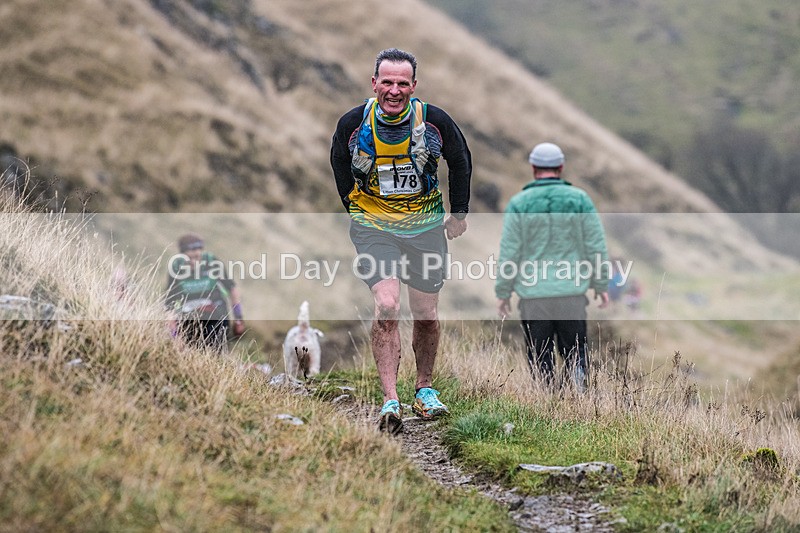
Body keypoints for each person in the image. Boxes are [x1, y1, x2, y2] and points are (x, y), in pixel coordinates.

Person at [330, 48, 472, 433]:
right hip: (374, 228)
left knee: (426, 315)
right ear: (374, 83)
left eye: (402, 83)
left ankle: (424, 390)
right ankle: (390, 399)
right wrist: (353, 208)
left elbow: (460, 160)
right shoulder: (352, 124)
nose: (394, 91)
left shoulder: (435, 121)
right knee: (388, 305)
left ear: (414, 86)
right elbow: (339, 164)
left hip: (425, 228)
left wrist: (458, 212)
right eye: (387, 82)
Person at [495, 142, 609, 391]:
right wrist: (601, 284)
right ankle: (578, 404)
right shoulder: (580, 200)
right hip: (571, 294)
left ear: (533, 167)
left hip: (534, 296)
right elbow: (595, 246)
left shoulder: (519, 203)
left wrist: (503, 292)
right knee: (575, 354)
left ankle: (545, 404)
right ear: (561, 167)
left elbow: (509, 254)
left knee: (540, 357)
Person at [165, 233, 245, 352]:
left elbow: (232, 289)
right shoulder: (176, 268)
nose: (195, 260)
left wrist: (238, 319)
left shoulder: (212, 262)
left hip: (216, 313)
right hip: (190, 318)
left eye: (198, 256)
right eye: (190, 257)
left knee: (216, 351)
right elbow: (170, 304)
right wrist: (175, 335)